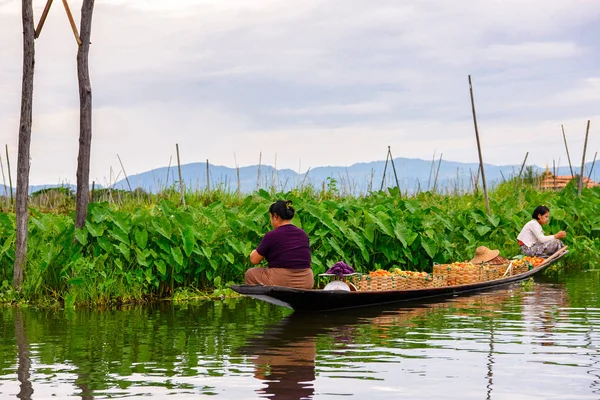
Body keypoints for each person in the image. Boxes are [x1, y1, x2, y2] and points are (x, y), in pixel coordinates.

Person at [245, 200, 314, 289]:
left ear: (275, 216)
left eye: (270, 217)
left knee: (250, 274)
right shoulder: (302, 233)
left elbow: (254, 260)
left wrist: (254, 252)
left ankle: (263, 301)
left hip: (282, 280)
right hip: (306, 280)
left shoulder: (272, 235)